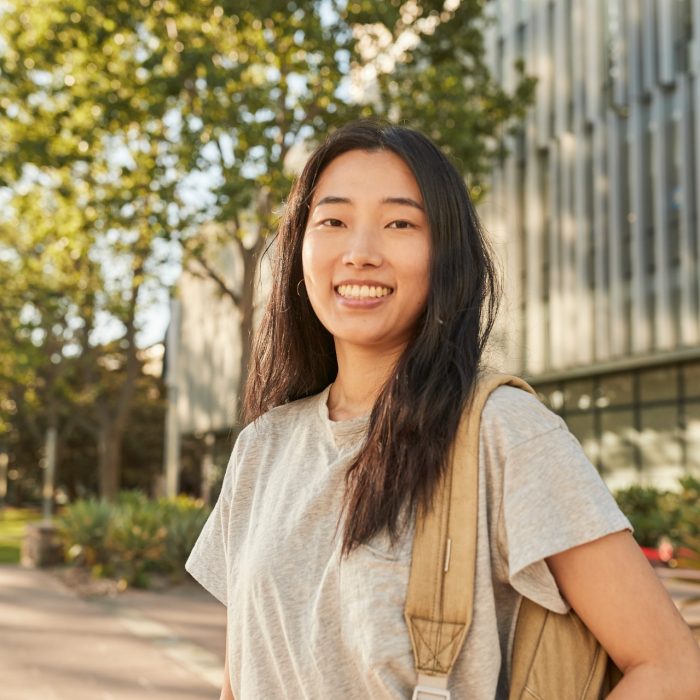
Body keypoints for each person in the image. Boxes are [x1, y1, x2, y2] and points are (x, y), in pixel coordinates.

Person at [186, 120, 700, 699]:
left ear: (445, 256)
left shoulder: (503, 433)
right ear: (300, 249)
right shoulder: (263, 446)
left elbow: (672, 668)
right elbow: (242, 676)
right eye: (333, 221)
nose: (360, 253)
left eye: (400, 223)